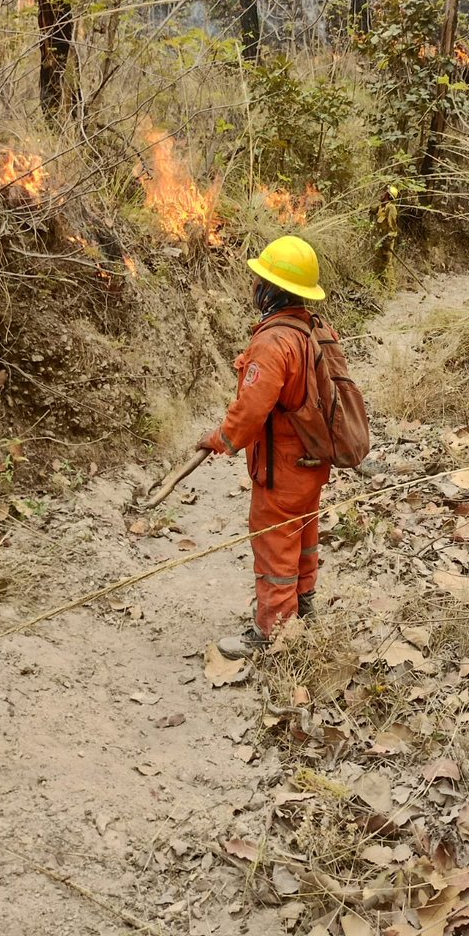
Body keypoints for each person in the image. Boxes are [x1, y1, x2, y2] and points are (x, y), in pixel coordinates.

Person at [197, 235, 336, 659]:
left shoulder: (273, 343)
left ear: (272, 290)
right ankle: (304, 606)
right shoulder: (315, 329)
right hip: (313, 458)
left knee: (275, 542)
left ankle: (273, 632)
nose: (254, 286)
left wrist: (221, 439)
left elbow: (252, 407)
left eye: (261, 280)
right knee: (303, 533)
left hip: (282, 465)